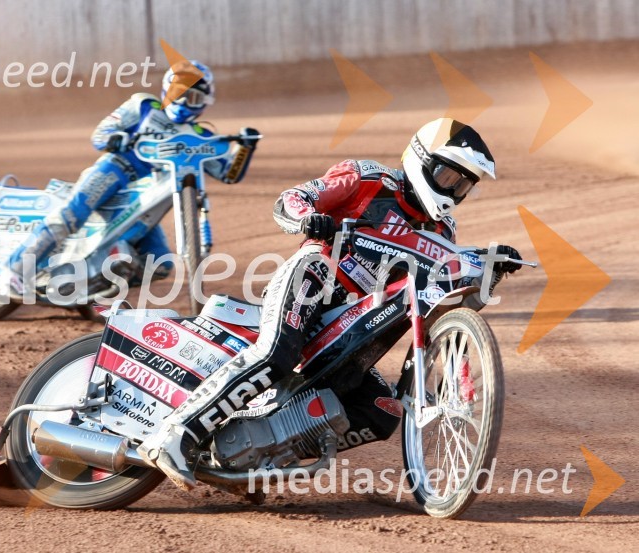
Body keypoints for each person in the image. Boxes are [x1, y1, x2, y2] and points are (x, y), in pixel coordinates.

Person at [137, 118, 523, 490]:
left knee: (381, 411)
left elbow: (439, 300)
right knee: (276, 354)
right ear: (421, 159)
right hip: (315, 276)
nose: (452, 190)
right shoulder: (368, 178)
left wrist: (486, 269)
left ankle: (263, 454)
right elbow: (291, 199)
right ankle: (176, 435)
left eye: (462, 185)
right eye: (447, 176)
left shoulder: (442, 231)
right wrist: (310, 219)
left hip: (356, 321)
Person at [0, 60, 260, 299]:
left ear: (203, 103)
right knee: (72, 215)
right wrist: (118, 138)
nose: (183, 102)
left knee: (159, 264)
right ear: (167, 89)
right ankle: (15, 269)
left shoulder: (199, 136)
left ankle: (85, 287)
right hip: (117, 170)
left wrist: (245, 149)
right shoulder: (144, 106)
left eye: (191, 97)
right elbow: (100, 135)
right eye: (180, 93)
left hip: (151, 196)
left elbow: (228, 173)